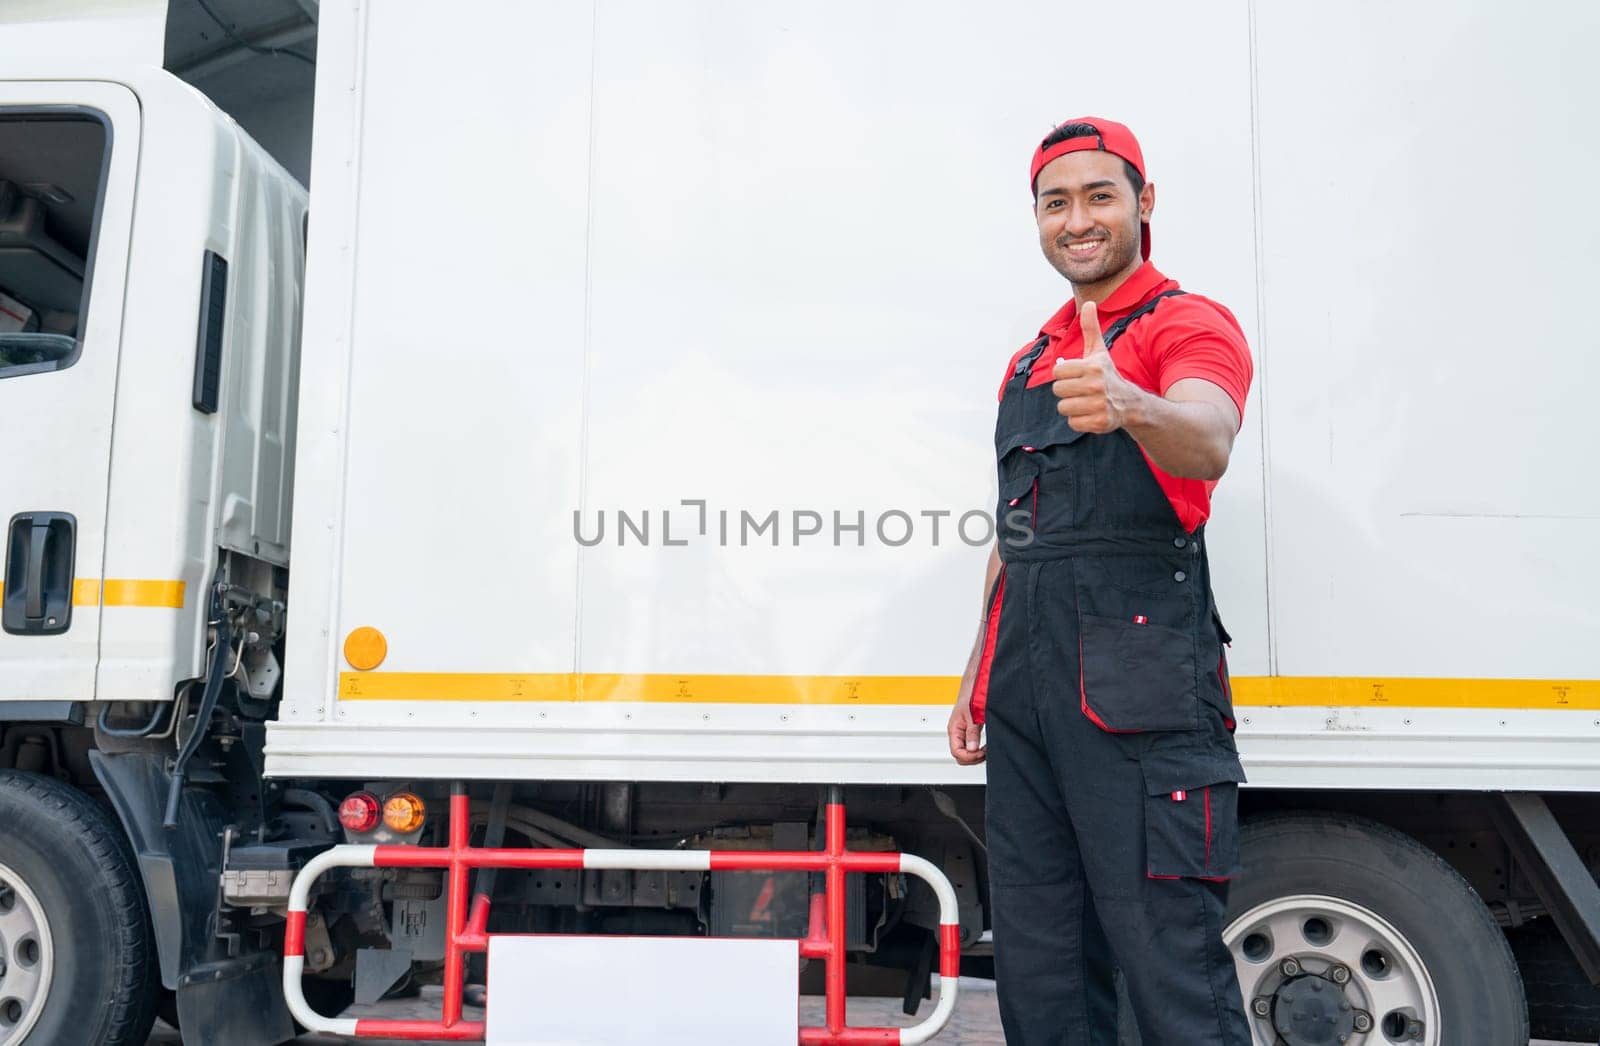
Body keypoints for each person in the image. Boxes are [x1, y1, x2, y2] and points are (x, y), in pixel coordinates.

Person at [947, 117, 1254, 1045]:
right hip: (1028, 693)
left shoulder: (1185, 324)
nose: (1077, 219)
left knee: (1171, 967)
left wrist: (1133, 403)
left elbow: (1209, 436)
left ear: (1143, 203)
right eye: (1056, 202)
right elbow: (1017, 530)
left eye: (1099, 196)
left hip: (1140, 694)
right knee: (1041, 969)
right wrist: (977, 666)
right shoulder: (1032, 358)